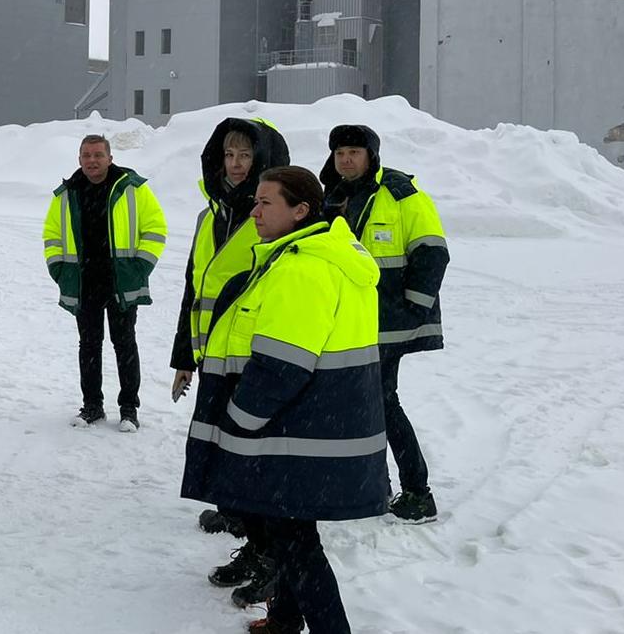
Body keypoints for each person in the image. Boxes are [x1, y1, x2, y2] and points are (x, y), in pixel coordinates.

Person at [181, 166, 388, 634]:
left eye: (266, 202)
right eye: (255, 201)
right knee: (292, 534)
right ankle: (283, 622)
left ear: (301, 210)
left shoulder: (302, 269)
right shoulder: (318, 256)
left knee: (295, 542)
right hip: (317, 429)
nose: (254, 211)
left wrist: (239, 417)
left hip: (297, 433)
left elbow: (282, 367)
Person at [168, 118, 290, 604]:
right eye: (229, 156)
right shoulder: (209, 216)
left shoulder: (274, 218)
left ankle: (274, 558)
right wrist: (184, 357)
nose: (236, 165)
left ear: (262, 162)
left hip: (256, 360)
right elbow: (194, 288)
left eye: (245, 156)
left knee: (256, 465)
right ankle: (256, 545)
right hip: (214, 358)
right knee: (225, 461)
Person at [320, 124, 450, 523]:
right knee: (364, 403)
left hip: (388, 324)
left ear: (371, 156)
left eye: (354, 152)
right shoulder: (334, 197)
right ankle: (381, 485)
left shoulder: (399, 194)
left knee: (381, 402)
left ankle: (416, 490)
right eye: (340, 153)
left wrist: (413, 307)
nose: (346, 160)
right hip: (349, 323)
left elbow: (433, 252)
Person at [43, 134, 167, 430]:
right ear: (79, 160)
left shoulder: (132, 190)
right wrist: (59, 270)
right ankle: (92, 406)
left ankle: (128, 409)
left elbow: (155, 229)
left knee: (124, 344)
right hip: (84, 282)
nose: (92, 161)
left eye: (98, 155)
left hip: (120, 282)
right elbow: (52, 236)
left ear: (110, 158)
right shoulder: (66, 193)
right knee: (88, 345)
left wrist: (140, 269)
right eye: (86, 155)